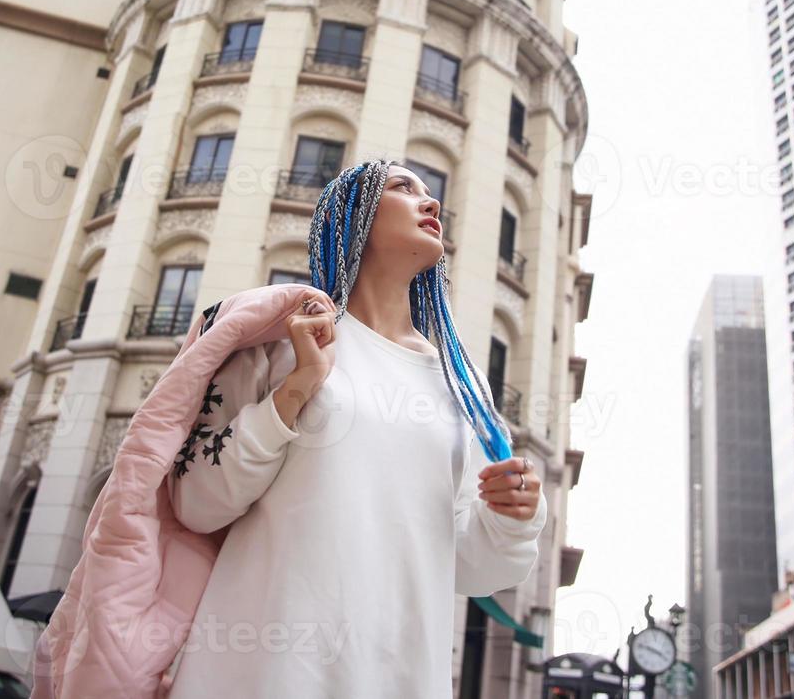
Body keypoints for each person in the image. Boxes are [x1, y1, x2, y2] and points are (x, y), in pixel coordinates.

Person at [163, 158, 547, 698]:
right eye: (402, 187)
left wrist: (514, 516)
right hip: (258, 674)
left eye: (429, 193)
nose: (431, 203)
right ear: (350, 216)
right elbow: (196, 501)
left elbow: (472, 565)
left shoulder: (462, 383)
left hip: (399, 676)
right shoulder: (285, 337)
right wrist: (297, 389)